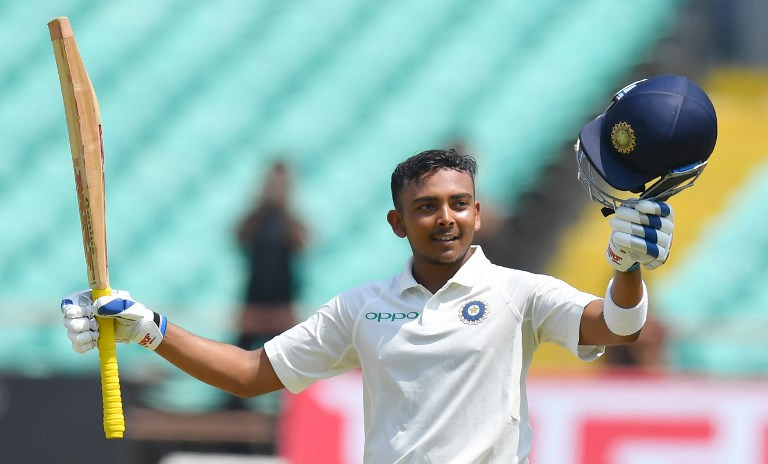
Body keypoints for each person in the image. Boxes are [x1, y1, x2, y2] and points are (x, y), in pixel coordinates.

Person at [61, 75, 715, 463]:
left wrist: (629, 267)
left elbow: (619, 327)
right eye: (426, 207)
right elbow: (249, 374)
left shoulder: (518, 294)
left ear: (479, 214)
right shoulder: (361, 307)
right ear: (398, 223)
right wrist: (150, 328)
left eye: (459, 204)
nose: (446, 217)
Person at [228, 160, 307, 414]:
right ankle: (234, 406)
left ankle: (291, 409)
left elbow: (302, 243)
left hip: (281, 303)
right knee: (240, 357)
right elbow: (239, 236)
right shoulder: (256, 219)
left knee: (288, 360)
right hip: (255, 301)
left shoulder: (289, 222)